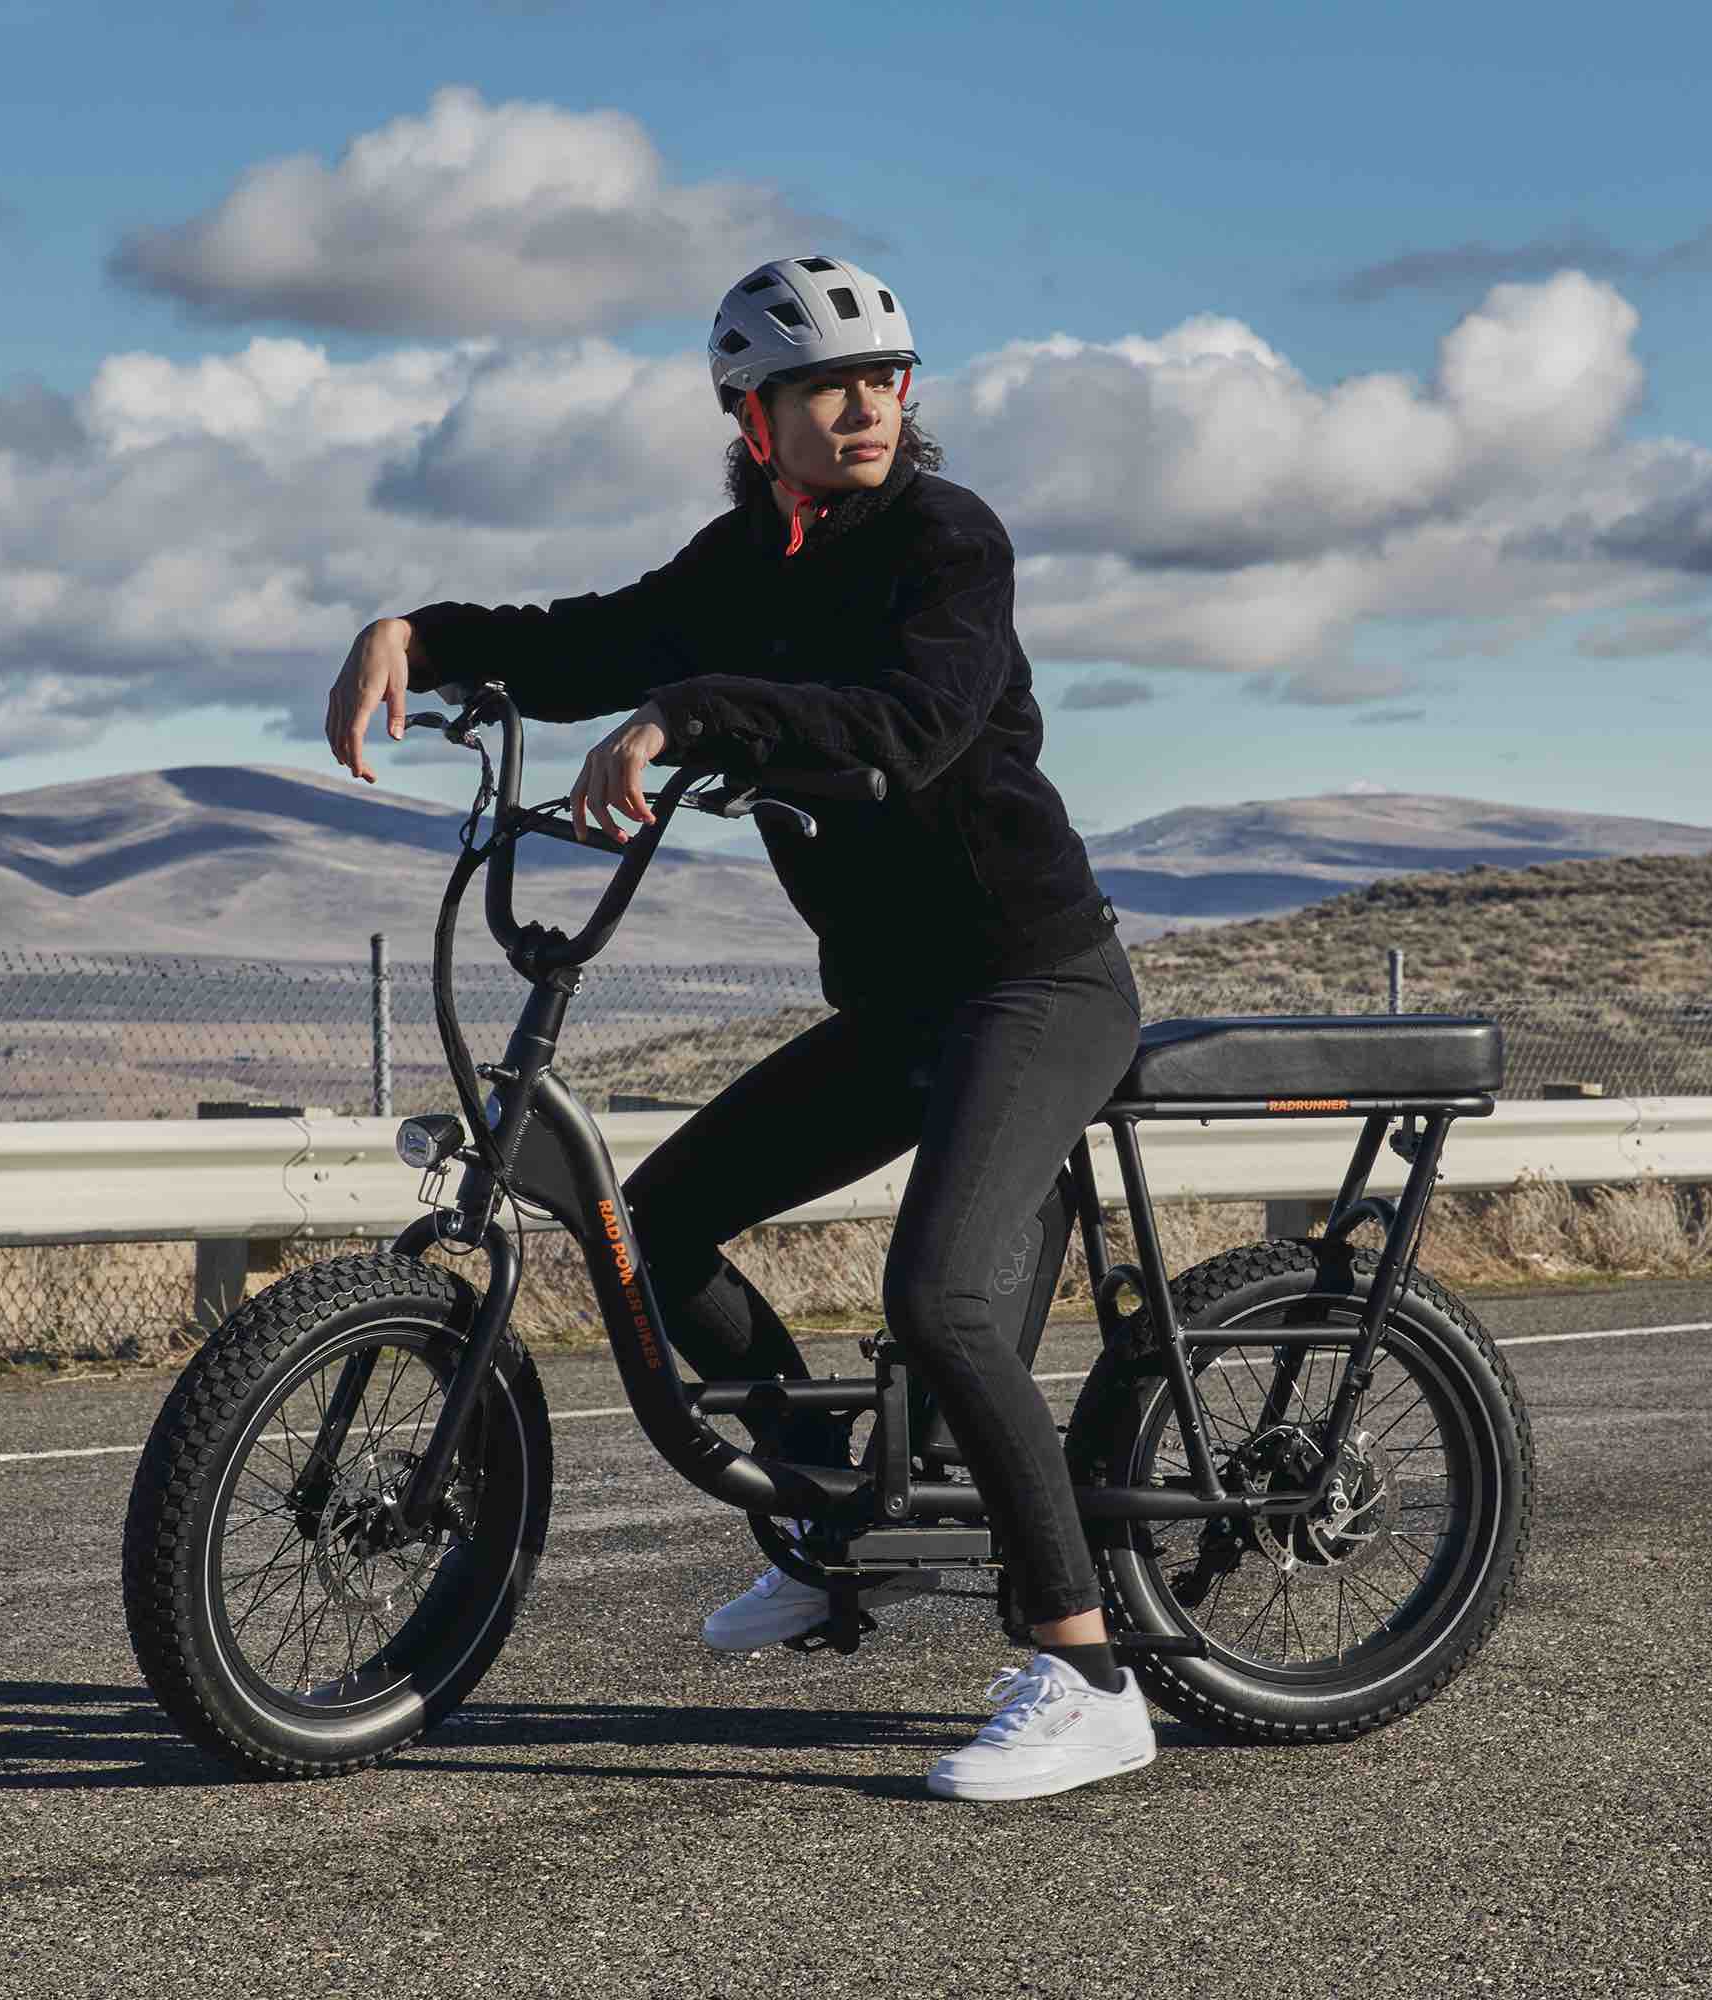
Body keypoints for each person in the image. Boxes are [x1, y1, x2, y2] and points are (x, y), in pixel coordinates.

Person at [323, 255, 1151, 1803]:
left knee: (942, 1304)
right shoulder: (742, 562)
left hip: (1035, 986)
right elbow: (593, 637)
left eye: (887, 376)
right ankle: (846, 1531)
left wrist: (693, 718)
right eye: (825, 385)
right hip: (902, 1004)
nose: (866, 405)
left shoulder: (949, 544)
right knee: (663, 1222)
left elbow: (906, 727)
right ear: (748, 415)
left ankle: (1086, 1668)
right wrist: (419, 637)